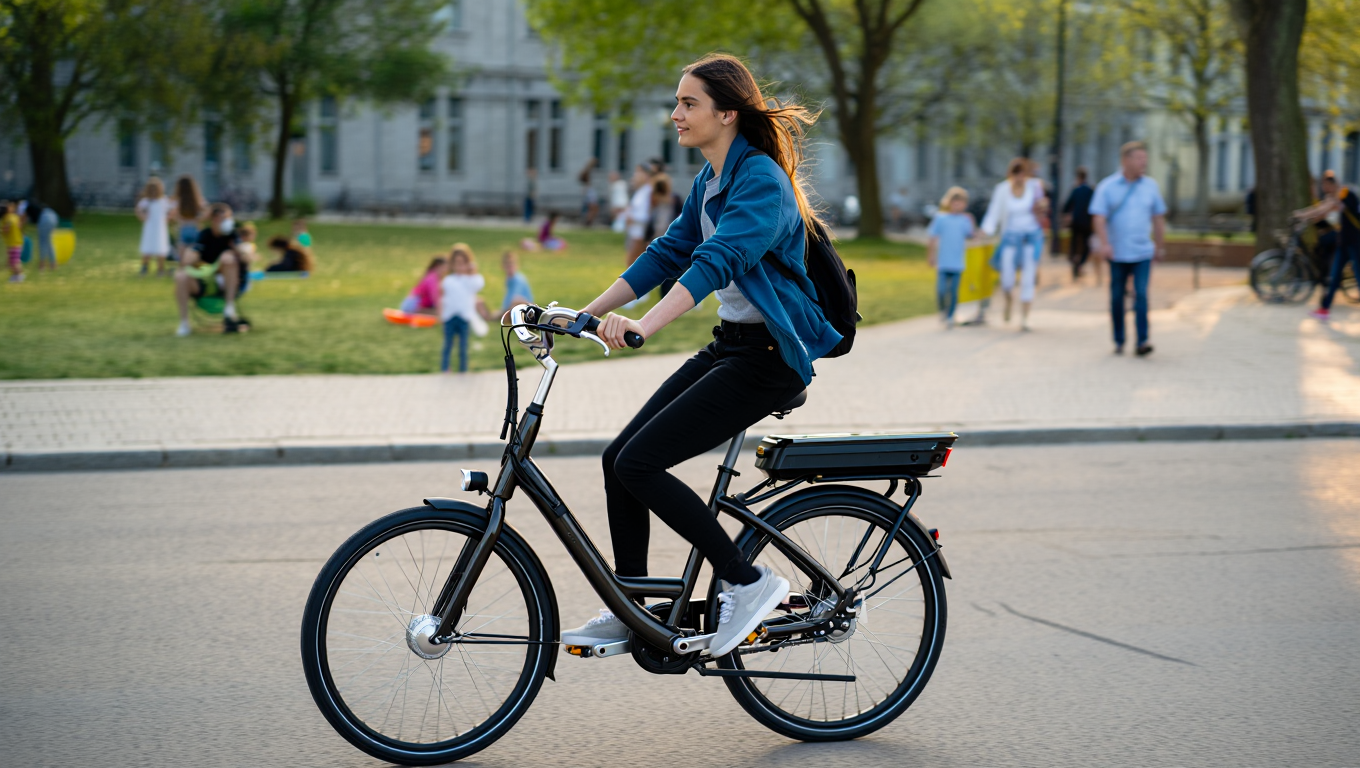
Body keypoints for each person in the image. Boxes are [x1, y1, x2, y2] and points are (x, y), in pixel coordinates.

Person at [563, 53, 841, 659]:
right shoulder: (708, 182)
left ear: (727, 112)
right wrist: (583, 314)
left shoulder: (762, 181)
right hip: (733, 347)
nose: (676, 114)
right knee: (619, 459)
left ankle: (749, 580)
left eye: (689, 103)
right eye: (678, 102)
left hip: (770, 358)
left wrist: (645, 326)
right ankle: (633, 607)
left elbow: (716, 263)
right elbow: (668, 253)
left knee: (641, 464)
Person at [1091, 141, 1167, 356]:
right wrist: (1105, 244)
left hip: (1143, 251)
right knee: (1116, 296)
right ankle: (1119, 339)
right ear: (1125, 160)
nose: (1144, 162)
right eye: (1139, 158)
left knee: (1141, 294)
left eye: (1145, 158)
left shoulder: (1151, 186)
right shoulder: (1107, 186)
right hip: (1117, 252)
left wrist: (1159, 247)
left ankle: (1142, 340)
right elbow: (1098, 218)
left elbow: (1158, 218)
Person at [980, 157, 1047, 331]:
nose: (1019, 177)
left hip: (1030, 238)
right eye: (1015, 174)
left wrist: (1042, 206)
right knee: (1007, 280)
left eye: (1022, 173)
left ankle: (1025, 317)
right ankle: (1009, 300)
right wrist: (985, 230)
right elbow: (993, 212)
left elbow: (1043, 207)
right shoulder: (1002, 189)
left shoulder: (1035, 186)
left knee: (1028, 279)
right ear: (1010, 174)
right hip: (1010, 239)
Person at [174, 203, 246, 336]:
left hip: (227, 283)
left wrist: (238, 251)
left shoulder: (233, 236)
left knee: (227, 258)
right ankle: (184, 323)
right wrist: (190, 256)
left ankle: (229, 309)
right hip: (206, 283)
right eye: (222, 218)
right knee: (180, 276)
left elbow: (246, 255)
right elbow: (192, 255)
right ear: (214, 219)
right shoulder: (204, 235)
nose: (226, 222)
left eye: (228, 218)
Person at [1296, 170, 1360, 322]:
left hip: (1355, 243)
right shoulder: (1336, 196)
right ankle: (1324, 309)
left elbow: (1325, 209)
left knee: (1358, 276)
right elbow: (1322, 208)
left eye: (1325, 185)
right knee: (1334, 276)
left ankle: (1324, 308)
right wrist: (1303, 214)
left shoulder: (1345, 193)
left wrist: (1302, 215)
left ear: (1331, 184)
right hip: (1344, 243)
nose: (1324, 188)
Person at [927, 187, 976, 328]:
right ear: (949, 202)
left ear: (964, 204)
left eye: (960, 203)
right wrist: (931, 256)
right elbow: (932, 238)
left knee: (953, 291)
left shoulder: (965, 220)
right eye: (954, 202)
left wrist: (972, 224)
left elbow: (972, 236)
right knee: (941, 290)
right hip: (943, 262)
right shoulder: (940, 218)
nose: (957, 205)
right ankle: (943, 310)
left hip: (957, 262)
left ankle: (951, 316)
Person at [438, 243, 485, 373]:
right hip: (450, 317)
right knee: (448, 344)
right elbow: (444, 299)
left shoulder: (470, 280)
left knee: (463, 346)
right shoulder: (448, 280)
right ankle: (445, 368)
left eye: (462, 263)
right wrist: (442, 315)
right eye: (456, 263)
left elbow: (479, 284)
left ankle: (463, 370)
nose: (459, 266)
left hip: (464, 317)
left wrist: (472, 271)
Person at [136, 177, 173, 277]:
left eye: (156, 190)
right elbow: (138, 209)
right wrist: (142, 216)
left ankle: (160, 269)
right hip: (149, 227)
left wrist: (167, 218)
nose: (154, 192)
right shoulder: (146, 201)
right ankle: (144, 267)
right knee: (147, 247)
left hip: (160, 228)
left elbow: (171, 210)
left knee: (161, 248)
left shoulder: (164, 200)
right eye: (151, 190)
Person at [1063, 167, 1095, 283]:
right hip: (1086, 222)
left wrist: (1067, 214)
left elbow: (1066, 206)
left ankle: (1074, 262)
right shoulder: (1090, 190)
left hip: (1076, 222)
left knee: (1074, 244)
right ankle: (1080, 262)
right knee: (1086, 246)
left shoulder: (1075, 190)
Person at [172, 175, 208, 264]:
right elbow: (206, 212)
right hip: (195, 228)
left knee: (182, 254)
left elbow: (173, 214)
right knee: (195, 252)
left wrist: (179, 220)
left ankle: (182, 270)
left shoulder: (178, 201)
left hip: (183, 228)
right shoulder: (198, 199)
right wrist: (198, 219)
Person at [499, 250, 533, 315]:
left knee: (515, 303)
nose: (510, 266)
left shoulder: (518, 279)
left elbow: (516, 299)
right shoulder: (509, 279)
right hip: (511, 308)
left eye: (512, 263)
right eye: (508, 264)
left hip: (525, 308)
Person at [31, 200, 58, 271]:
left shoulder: (41, 212)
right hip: (54, 219)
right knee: (49, 243)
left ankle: (42, 265)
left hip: (45, 220)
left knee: (43, 242)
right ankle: (53, 264)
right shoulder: (50, 211)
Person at [2, 200, 24, 283]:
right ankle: (15, 276)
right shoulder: (15, 217)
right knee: (13, 261)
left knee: (14, 261)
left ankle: (19, 275)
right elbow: (20, 226)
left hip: (13, 243)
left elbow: (6, 229)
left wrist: (3, 230)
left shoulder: (8, 218)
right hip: (16, 242)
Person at [579, 158, 600, 226]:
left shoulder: (587, 171)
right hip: (590, 191)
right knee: (593, 208)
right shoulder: (588, 172)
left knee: (592, 208)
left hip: (589, 191)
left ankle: (589, 221)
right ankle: (588, 222)